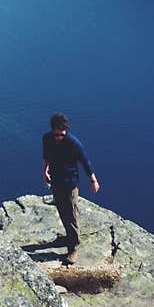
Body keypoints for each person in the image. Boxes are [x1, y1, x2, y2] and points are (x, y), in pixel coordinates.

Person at [42, 112, 99, 264]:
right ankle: (68, 237)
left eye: (61, 135)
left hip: (69, 184)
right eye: (56, 135)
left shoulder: (73, 143)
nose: (58, 138)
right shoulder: (47, 139)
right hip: (56, 181)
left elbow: (85, 162)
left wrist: (93, 180)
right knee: (61, 210)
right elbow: (46, 155)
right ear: (52, 130)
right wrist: (45, 171)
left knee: (71, 215)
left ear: (65, 131)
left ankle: (73, 247)